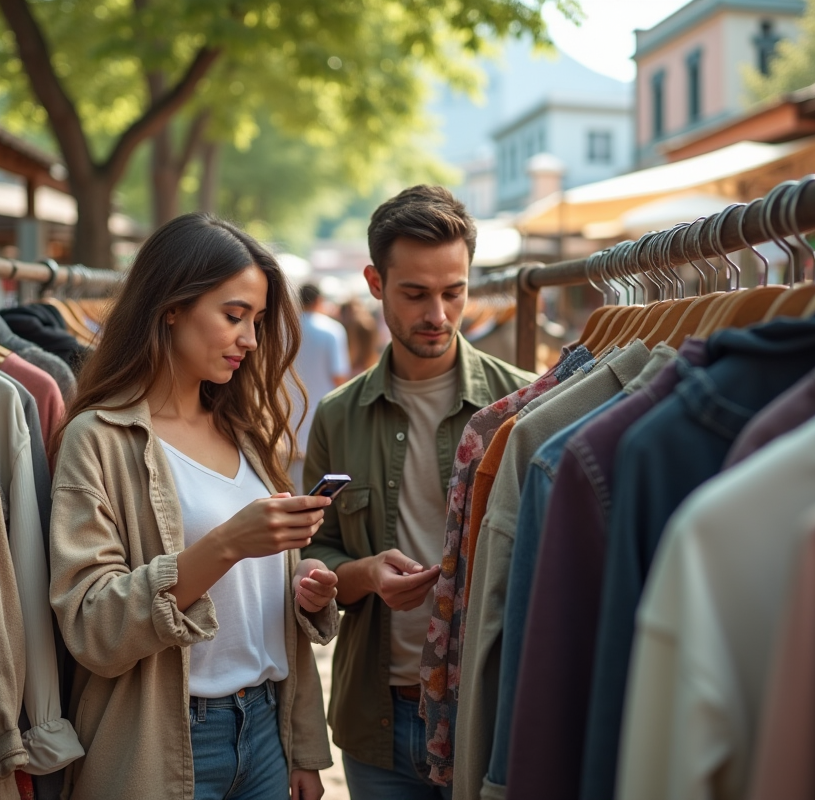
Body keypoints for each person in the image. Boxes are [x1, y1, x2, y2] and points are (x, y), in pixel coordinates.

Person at [49, 213, 341, 800]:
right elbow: (93, 625)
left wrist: (302, 580)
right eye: (234, 316)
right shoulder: (99, 439)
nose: (251, 340)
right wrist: (228, 544)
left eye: (257, 321)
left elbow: (256, 601)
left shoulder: (247, 430)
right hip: (161, 736)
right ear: (171, 306)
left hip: (266, 727)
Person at [302, 186, 534, 799]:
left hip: (485, 715)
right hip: (377, 720)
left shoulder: (526, 407)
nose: (438, 313)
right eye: (414, 293)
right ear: (375, 283)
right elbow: (314, 552)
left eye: (453, 292)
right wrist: (365, 574)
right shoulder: (337, 417)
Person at [289, 283, 350, 493]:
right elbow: (339, 377)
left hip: (286, 418)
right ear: (318, 301)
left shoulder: (284, 328)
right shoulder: (331, 330)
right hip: (322, 418)